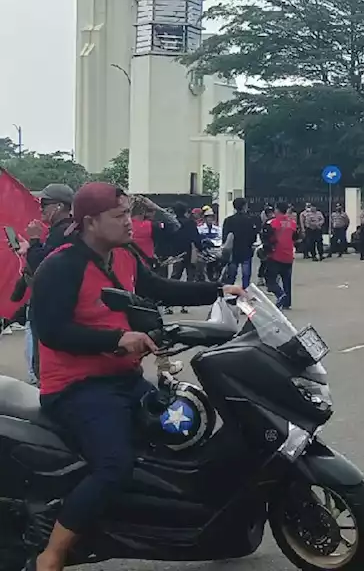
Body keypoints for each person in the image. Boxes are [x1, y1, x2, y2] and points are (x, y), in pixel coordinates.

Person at [29, 183, 241, 571]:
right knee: (115, 463)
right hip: (77, 388)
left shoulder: (121, 255)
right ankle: (53, 552)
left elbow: (157, 288)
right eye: (120, 216)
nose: (130, 222)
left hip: (123, 379)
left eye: (129, 213)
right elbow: (51, 331)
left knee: (181, 436)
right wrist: (117, 339)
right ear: (90, 222)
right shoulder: (61, 266)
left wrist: (219, 291)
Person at [18, 183, 79, 385]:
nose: (41, 208)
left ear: (59, 206)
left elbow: (42, 265)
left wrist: (34, 240)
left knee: (43, 367)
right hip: (60, 306)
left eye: (45, 203)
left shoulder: (63, 232)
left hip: (51, 306)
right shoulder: (66, 230)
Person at [262, 202, 297, 310]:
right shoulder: (292, 223)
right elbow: (296, 237)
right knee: (287, 280)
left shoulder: (272, 223)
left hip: (275, 255)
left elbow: (265, 238)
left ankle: (280, 295)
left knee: (270, 279)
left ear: (277, 210)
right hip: (288, 255)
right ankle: (287, 303)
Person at [220, 198, 260, 287]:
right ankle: (245, 293)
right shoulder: (250, 220)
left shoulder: (228, 220)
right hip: (246, 250)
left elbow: (224, 237)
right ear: (244, 206)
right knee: (246, 276)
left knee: (231, 275)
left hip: (233, 251)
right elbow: (253, 238)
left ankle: (229, 293)